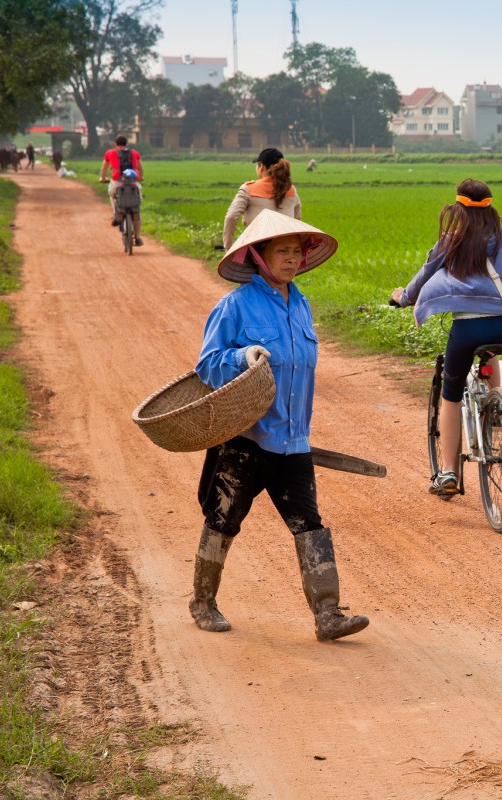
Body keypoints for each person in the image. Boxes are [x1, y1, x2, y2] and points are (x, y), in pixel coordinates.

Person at [191, 209, 369, 642]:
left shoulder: (301, 303)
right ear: (258, 256)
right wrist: (241, 356)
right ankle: (202, 601)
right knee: (223, 519)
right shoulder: (233, 306)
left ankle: (328, 615)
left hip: (292, 442)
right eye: (282, 252)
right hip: (245, 439)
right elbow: (206, 365)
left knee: (309, 523)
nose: (292, 259)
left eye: (296, 252)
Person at [391, 178, 502, 498]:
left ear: (458, 208)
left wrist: (404, 298)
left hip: (467, 329)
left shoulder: (451, 241)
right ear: (490, 208)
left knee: (452, 395)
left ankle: (448, 472)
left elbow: (424, 275)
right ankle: (498, 417)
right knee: (491, 355)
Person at [223, 147, 302, 250]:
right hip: (285, 248)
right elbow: (297, 220)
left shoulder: (248, 189)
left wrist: (228, 247)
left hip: (256, 248)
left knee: (242, 263)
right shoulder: (291, 190)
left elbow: (231, 217)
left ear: (261, 167)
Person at [98, 135, 142, 226]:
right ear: (127, 144)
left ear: (115, 143)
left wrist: (103, 178)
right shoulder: (134, 153)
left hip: (117, 181)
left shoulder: (110, 152)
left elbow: (104, 169)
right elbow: (140, 169)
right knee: (137, 198)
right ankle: (137, 236)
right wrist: (140, 177)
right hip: (133, 181)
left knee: (112, 194)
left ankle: (116, 214)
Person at [114, 168, 144, 247]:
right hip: (134, 208)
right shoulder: (137, 187)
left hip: (121, 207)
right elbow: (139, 199)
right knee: (137, 218)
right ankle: (137, 237)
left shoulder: (118, 187)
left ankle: (116, 218)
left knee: (116, 205)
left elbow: (115, 197)